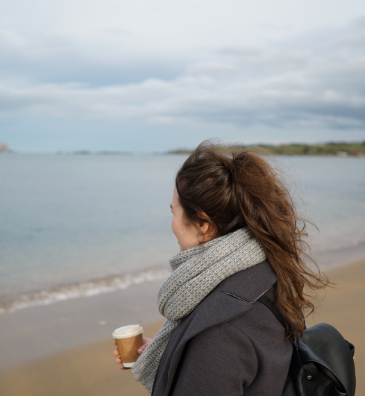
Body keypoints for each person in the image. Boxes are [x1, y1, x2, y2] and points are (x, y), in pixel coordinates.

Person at [113, 141, 330, 395]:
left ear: (203, 224)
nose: (172, 223)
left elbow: (223, 354)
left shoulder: (217, 331)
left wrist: (198, 357)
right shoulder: (263, 271)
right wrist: (175, 354)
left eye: (174, 212)